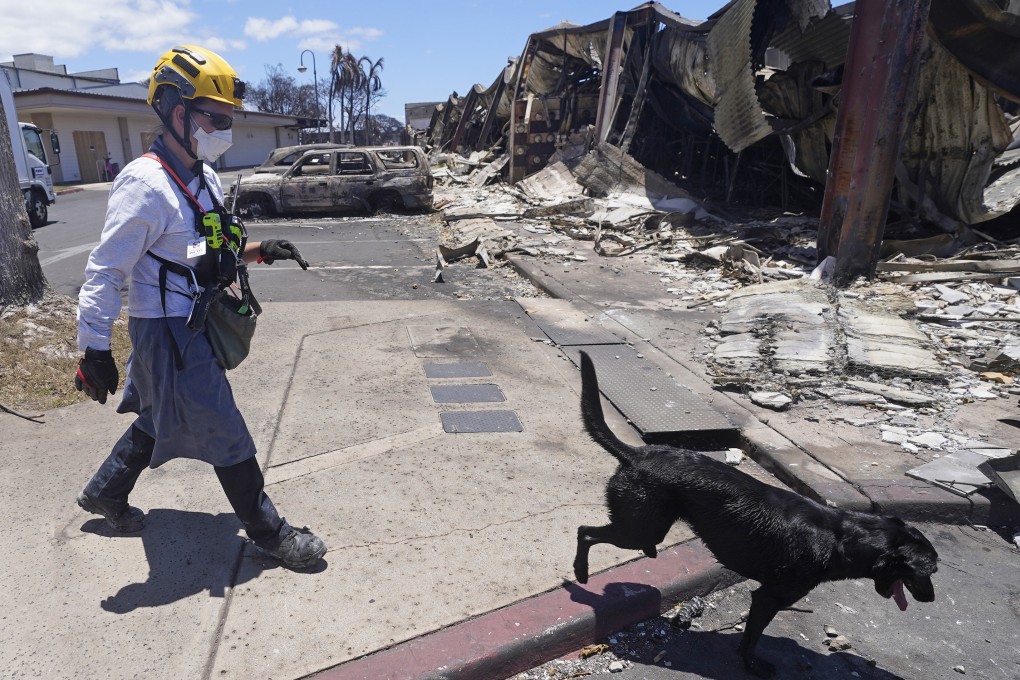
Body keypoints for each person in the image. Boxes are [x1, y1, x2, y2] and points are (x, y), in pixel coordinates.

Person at [73, 45, 326, 570]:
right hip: (165, 330)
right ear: (176, 110)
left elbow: (205, 248)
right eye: (215, 118)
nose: (223, 129)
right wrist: (93, 348)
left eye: (228, 119)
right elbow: (104, 270)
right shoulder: (145, 184)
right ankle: (269, 531)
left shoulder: (204, 177)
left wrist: (259, 250)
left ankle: (105, 492)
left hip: (194, 321)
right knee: (223, 427)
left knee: (157, 415)